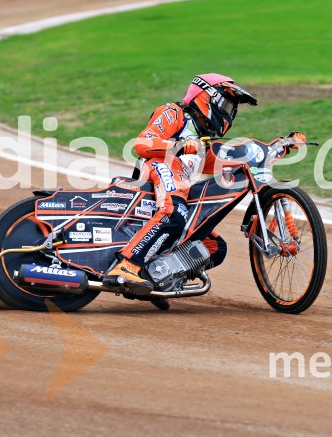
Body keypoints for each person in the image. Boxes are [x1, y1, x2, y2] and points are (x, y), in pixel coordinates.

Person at [105, 73, 262, 295]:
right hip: (156, 167)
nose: (229, 114)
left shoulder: (203, 136)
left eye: (231, 109)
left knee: (215, 248)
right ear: (206, 98)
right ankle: (125, 266)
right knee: (174, 214)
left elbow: (217, 161)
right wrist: (177, 144)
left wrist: (276, 148)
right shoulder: (173, 112)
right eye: (226, 105)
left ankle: (160, 279)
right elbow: (142, 143)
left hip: (177, 186)